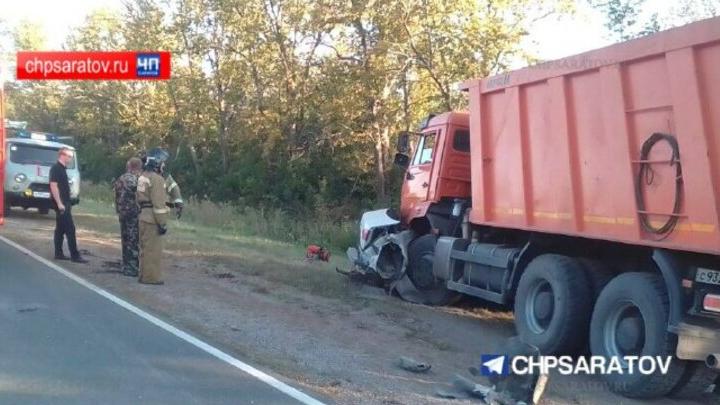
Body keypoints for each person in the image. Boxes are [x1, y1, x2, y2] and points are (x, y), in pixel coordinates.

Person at [136, 149, 170, 284]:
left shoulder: (143, 176)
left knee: (144, 249)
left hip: (143, 217)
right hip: (152, 220)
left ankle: (143, 275)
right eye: (163, 162)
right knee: (153, 250)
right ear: (157, 163)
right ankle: (151, 278)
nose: (164, 165)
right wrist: (162, 223)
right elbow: (158, 204)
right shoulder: (157, 179)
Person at [49, 147, 88, 263]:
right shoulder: (56, 168)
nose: (70, 159)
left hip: (65, 202)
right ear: (62, 155)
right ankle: (75, 256)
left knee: (60, 229)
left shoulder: (62, 169)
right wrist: (59, 203)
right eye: (69, 156)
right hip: (62, 204)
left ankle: (58, 253)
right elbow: (53, 186)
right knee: (70, 229)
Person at [114, 157, 143, 276]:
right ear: (139, 167)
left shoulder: (121, 178)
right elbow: (141, 196)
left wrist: (118, 209)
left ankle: (126, 265)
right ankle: (132, 267)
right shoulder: (136, 180)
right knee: (133, 240)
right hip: (133, 214)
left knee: (125, 240)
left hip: (122, 213)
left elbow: (116, 195)